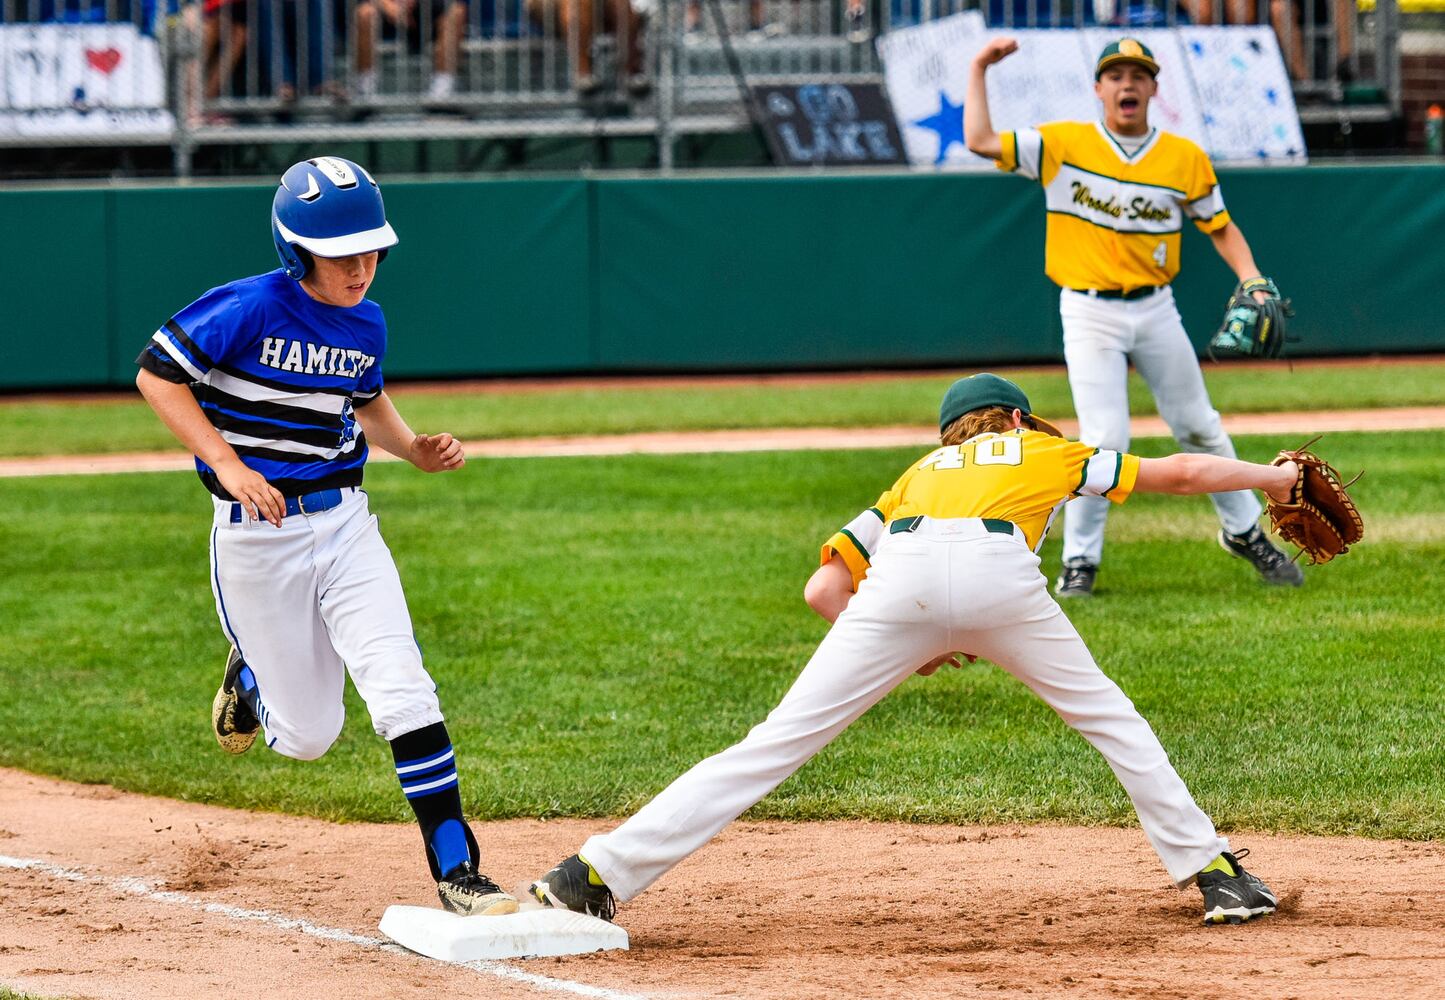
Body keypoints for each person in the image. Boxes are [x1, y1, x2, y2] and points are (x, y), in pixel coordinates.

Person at [525, 373, 1282, 928]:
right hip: (1000, 581)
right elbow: (1179, 472)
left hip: (897, 585)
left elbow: (822, 591)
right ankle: (1217, 877)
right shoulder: (1037, 450)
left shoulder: (916, 475)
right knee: (1111, 722)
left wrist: (908, 641)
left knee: (771, 745)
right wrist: (1273, 481)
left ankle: (589, 873)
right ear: (1017, 419)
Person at [133, 156, 516, 918]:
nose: (363, 266)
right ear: (295, 249)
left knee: (401, 685)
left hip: (346, 526)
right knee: (309, 736)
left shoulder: (367, 321)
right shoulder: (246, 306)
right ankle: (250, 678)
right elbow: (156, 374)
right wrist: (226, 463)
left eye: (372, 248)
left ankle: (456, 868)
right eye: (343, 254)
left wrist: (411, 449)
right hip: (256, 536)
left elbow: (365, 400)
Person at [963, 36, 1303, 598]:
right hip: (1088, 307)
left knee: (1199, 425)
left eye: (1138, 75)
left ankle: (1243, 531)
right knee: (1105, 438)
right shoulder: (1061, 144)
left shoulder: (1182, 158)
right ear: (1098, 88)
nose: (1127, 85)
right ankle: (1079, 562)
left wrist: (1251, 276)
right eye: (1115, 75)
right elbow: (978, 139)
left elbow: (1218, 224)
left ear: (1153, 88)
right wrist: (978, 66)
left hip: (1154, 305)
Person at [353, 0, 468, 101]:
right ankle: (364, 91)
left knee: (456, 11)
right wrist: (386, 4)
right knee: (365, 13)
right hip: (386, 7)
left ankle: (442, 92)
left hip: (425, 6)